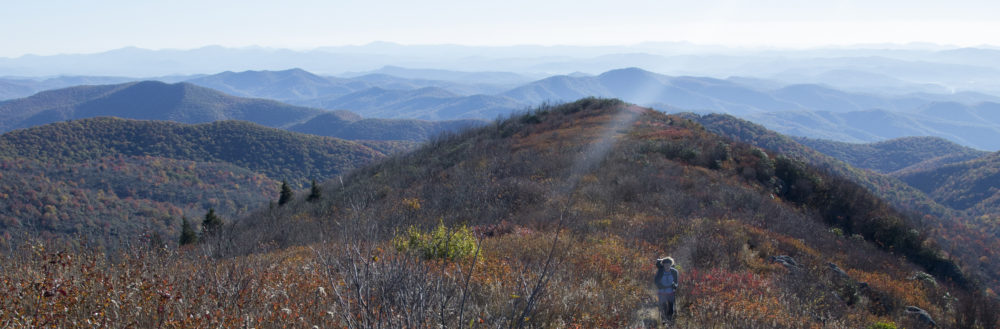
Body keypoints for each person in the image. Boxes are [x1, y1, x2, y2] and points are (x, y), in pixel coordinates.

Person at [654, 256, 679, 324]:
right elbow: (656, 281)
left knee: (671, 308)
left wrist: (675, 286)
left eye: (668, 264)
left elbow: (676, 283)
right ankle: (664, 321)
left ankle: (669, 320)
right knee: (663, 307)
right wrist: (660, 286)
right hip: (662, 292)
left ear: (671, 264)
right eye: (665, 264)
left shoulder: (674, 272)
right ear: (663, 264)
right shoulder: (660, 271)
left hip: (671, 292)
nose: (667, 266)